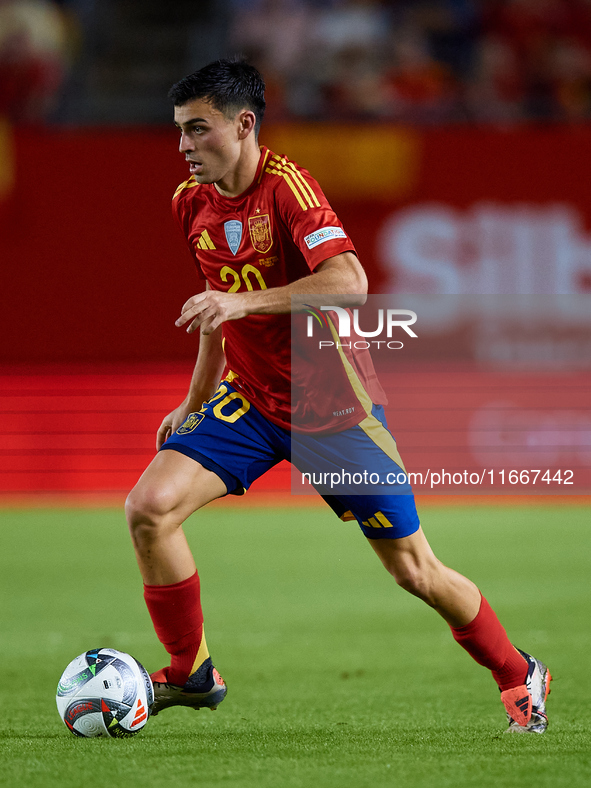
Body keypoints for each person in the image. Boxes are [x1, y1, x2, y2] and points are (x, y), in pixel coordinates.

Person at [125, 57, 551, 733]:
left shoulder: (288, 188)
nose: (183, 146)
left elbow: (348, 280)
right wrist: (195, 400)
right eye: (178, 131)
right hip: (253, 404)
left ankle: (516, 671)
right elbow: (215, 312)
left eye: (197, 130)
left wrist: (244, 304)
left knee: (415, 571)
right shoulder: (190, 202)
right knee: (149, 509)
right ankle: (191, 673)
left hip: (335, 417)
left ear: (243, 125)